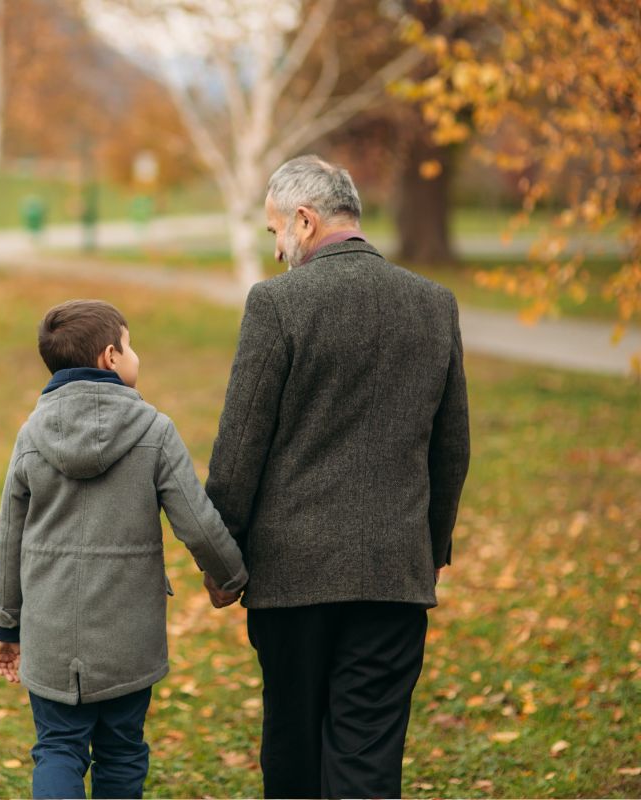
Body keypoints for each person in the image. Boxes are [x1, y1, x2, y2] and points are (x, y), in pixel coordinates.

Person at [202, 155, 471, 798]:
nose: (276, 251)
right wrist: (429, 550)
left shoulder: (277, 304)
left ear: (304, 219)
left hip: (291, 578)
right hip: (392, 574)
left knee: (293, 748)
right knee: (368, 757)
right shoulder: (434, 304)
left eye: (275, 234)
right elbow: (452, 446)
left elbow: (240, 448)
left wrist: (221, 560)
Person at [0, 299, 249, 799]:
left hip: (50, 634)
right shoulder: (154, 431)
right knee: (123, 751)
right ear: (111, 356)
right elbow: (197, 523)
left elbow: (9, 538)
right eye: (131, 345)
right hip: (127, 639)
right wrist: (230, 577)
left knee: (58, 747)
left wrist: (6, 626)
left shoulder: (31, 434)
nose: (136, 355)